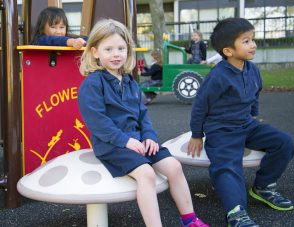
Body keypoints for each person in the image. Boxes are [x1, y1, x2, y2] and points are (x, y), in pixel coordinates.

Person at [78, 19, 209, 227]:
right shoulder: (92, 84)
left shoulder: (129, 82)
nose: (116, 54)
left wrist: (149, 136)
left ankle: (190, 220)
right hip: (112, 145)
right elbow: (97, 122)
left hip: (138, 140)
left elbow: (142, 115)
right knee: (146, 174)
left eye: (121, 48)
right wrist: (125, 141)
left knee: (174, 166)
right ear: (95, 52)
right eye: (108, 49)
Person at [187, 18, 294, 227]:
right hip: (222, 130)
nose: (253, 45)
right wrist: (197, 135)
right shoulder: (217, 76)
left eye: (252, 39)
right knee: (227, 166)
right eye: (246, 41)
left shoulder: (252, 70)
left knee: (284, 142)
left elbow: (254, 94)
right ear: (228, 50)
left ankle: (263, 186)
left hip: (246, 125)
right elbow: (200, 106)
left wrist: (253, 115)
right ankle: (235, 212)